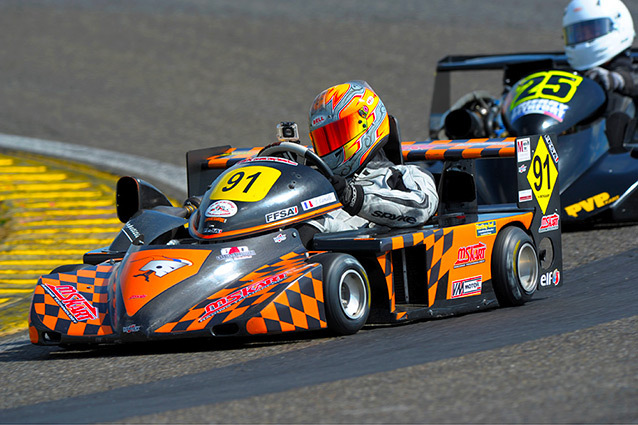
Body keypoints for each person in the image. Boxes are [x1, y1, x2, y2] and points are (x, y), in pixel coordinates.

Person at [302, 80, 438, 237]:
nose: (332, 145)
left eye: (339, 133)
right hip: (314, 248)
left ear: (369, 124)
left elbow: (422, 207)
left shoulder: (404, 174)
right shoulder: (322, 180)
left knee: (312, 228)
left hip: (370, 252)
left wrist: (354, 197)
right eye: (325, 139)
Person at [563, 0, 637, 99]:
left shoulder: (631, 72)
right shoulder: (567, 75)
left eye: (593, 31)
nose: (585, 36)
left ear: (618, 26)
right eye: (579, 33)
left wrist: (616, 80)